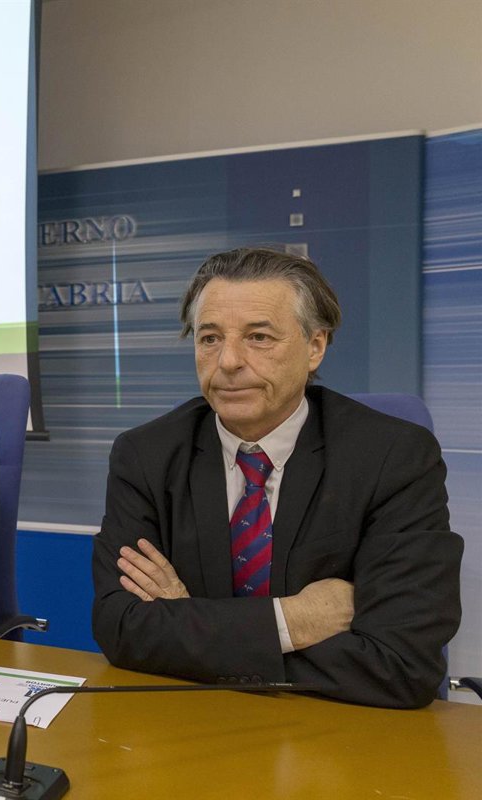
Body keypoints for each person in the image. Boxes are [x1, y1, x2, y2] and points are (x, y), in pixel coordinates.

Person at [91, 247, 463, 708]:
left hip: (342, 729)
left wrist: (189, 626)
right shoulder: (146, 455)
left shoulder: (393, 457)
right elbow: (122, 628)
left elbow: (402, 664)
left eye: (259, 337)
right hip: (193, 717)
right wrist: (293, 620)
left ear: (315, 347)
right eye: (209, 338)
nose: (228, 361)